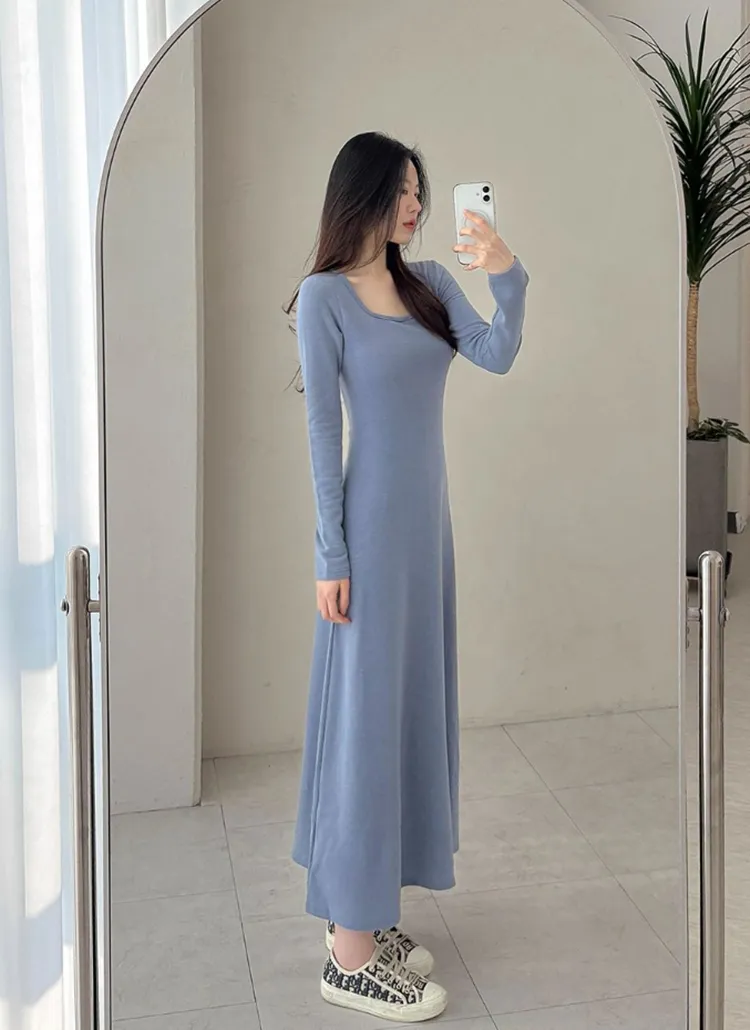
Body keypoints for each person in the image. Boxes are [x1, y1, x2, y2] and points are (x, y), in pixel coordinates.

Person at [288, 131, 529, 1022]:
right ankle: (349, 955)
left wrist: (508, 275)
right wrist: (331, 556)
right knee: (363, 729)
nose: (417, 207)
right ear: (360, 194)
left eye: (420, 192)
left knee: (405, 717)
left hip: (427, 533)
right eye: (402, 191)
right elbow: (323, 435)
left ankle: (368, 913)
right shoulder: (324, 299)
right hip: (369, 536)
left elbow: (496, 353)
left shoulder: (429, 283)